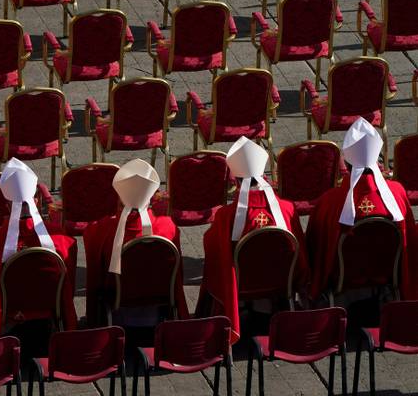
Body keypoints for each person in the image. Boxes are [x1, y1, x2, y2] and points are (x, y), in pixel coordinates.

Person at [198, 137, 309, 343]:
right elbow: (300, 255)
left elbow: (214, 251)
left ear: (236, 180)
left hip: (242, 284)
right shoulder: (287, 209)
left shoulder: (226, 215)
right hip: (280, 284)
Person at [0, 158, 78, 340]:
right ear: (36, 200)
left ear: (7, 205)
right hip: (48, 314)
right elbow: (68, 282)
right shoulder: (62, 239)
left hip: (7, 318)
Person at [306, 117, 417, 299]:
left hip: (343, 278)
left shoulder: (330, 201)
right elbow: (410, 240)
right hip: (388, 272)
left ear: (347, 164)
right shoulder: (397, 193)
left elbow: (315, 246)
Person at [83, 159, 184, 326]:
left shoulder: (99, 230)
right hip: (161, 296)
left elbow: (95, 277)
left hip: (118, 298)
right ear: (151, 197)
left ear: (119, 198)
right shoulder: (170, 228)